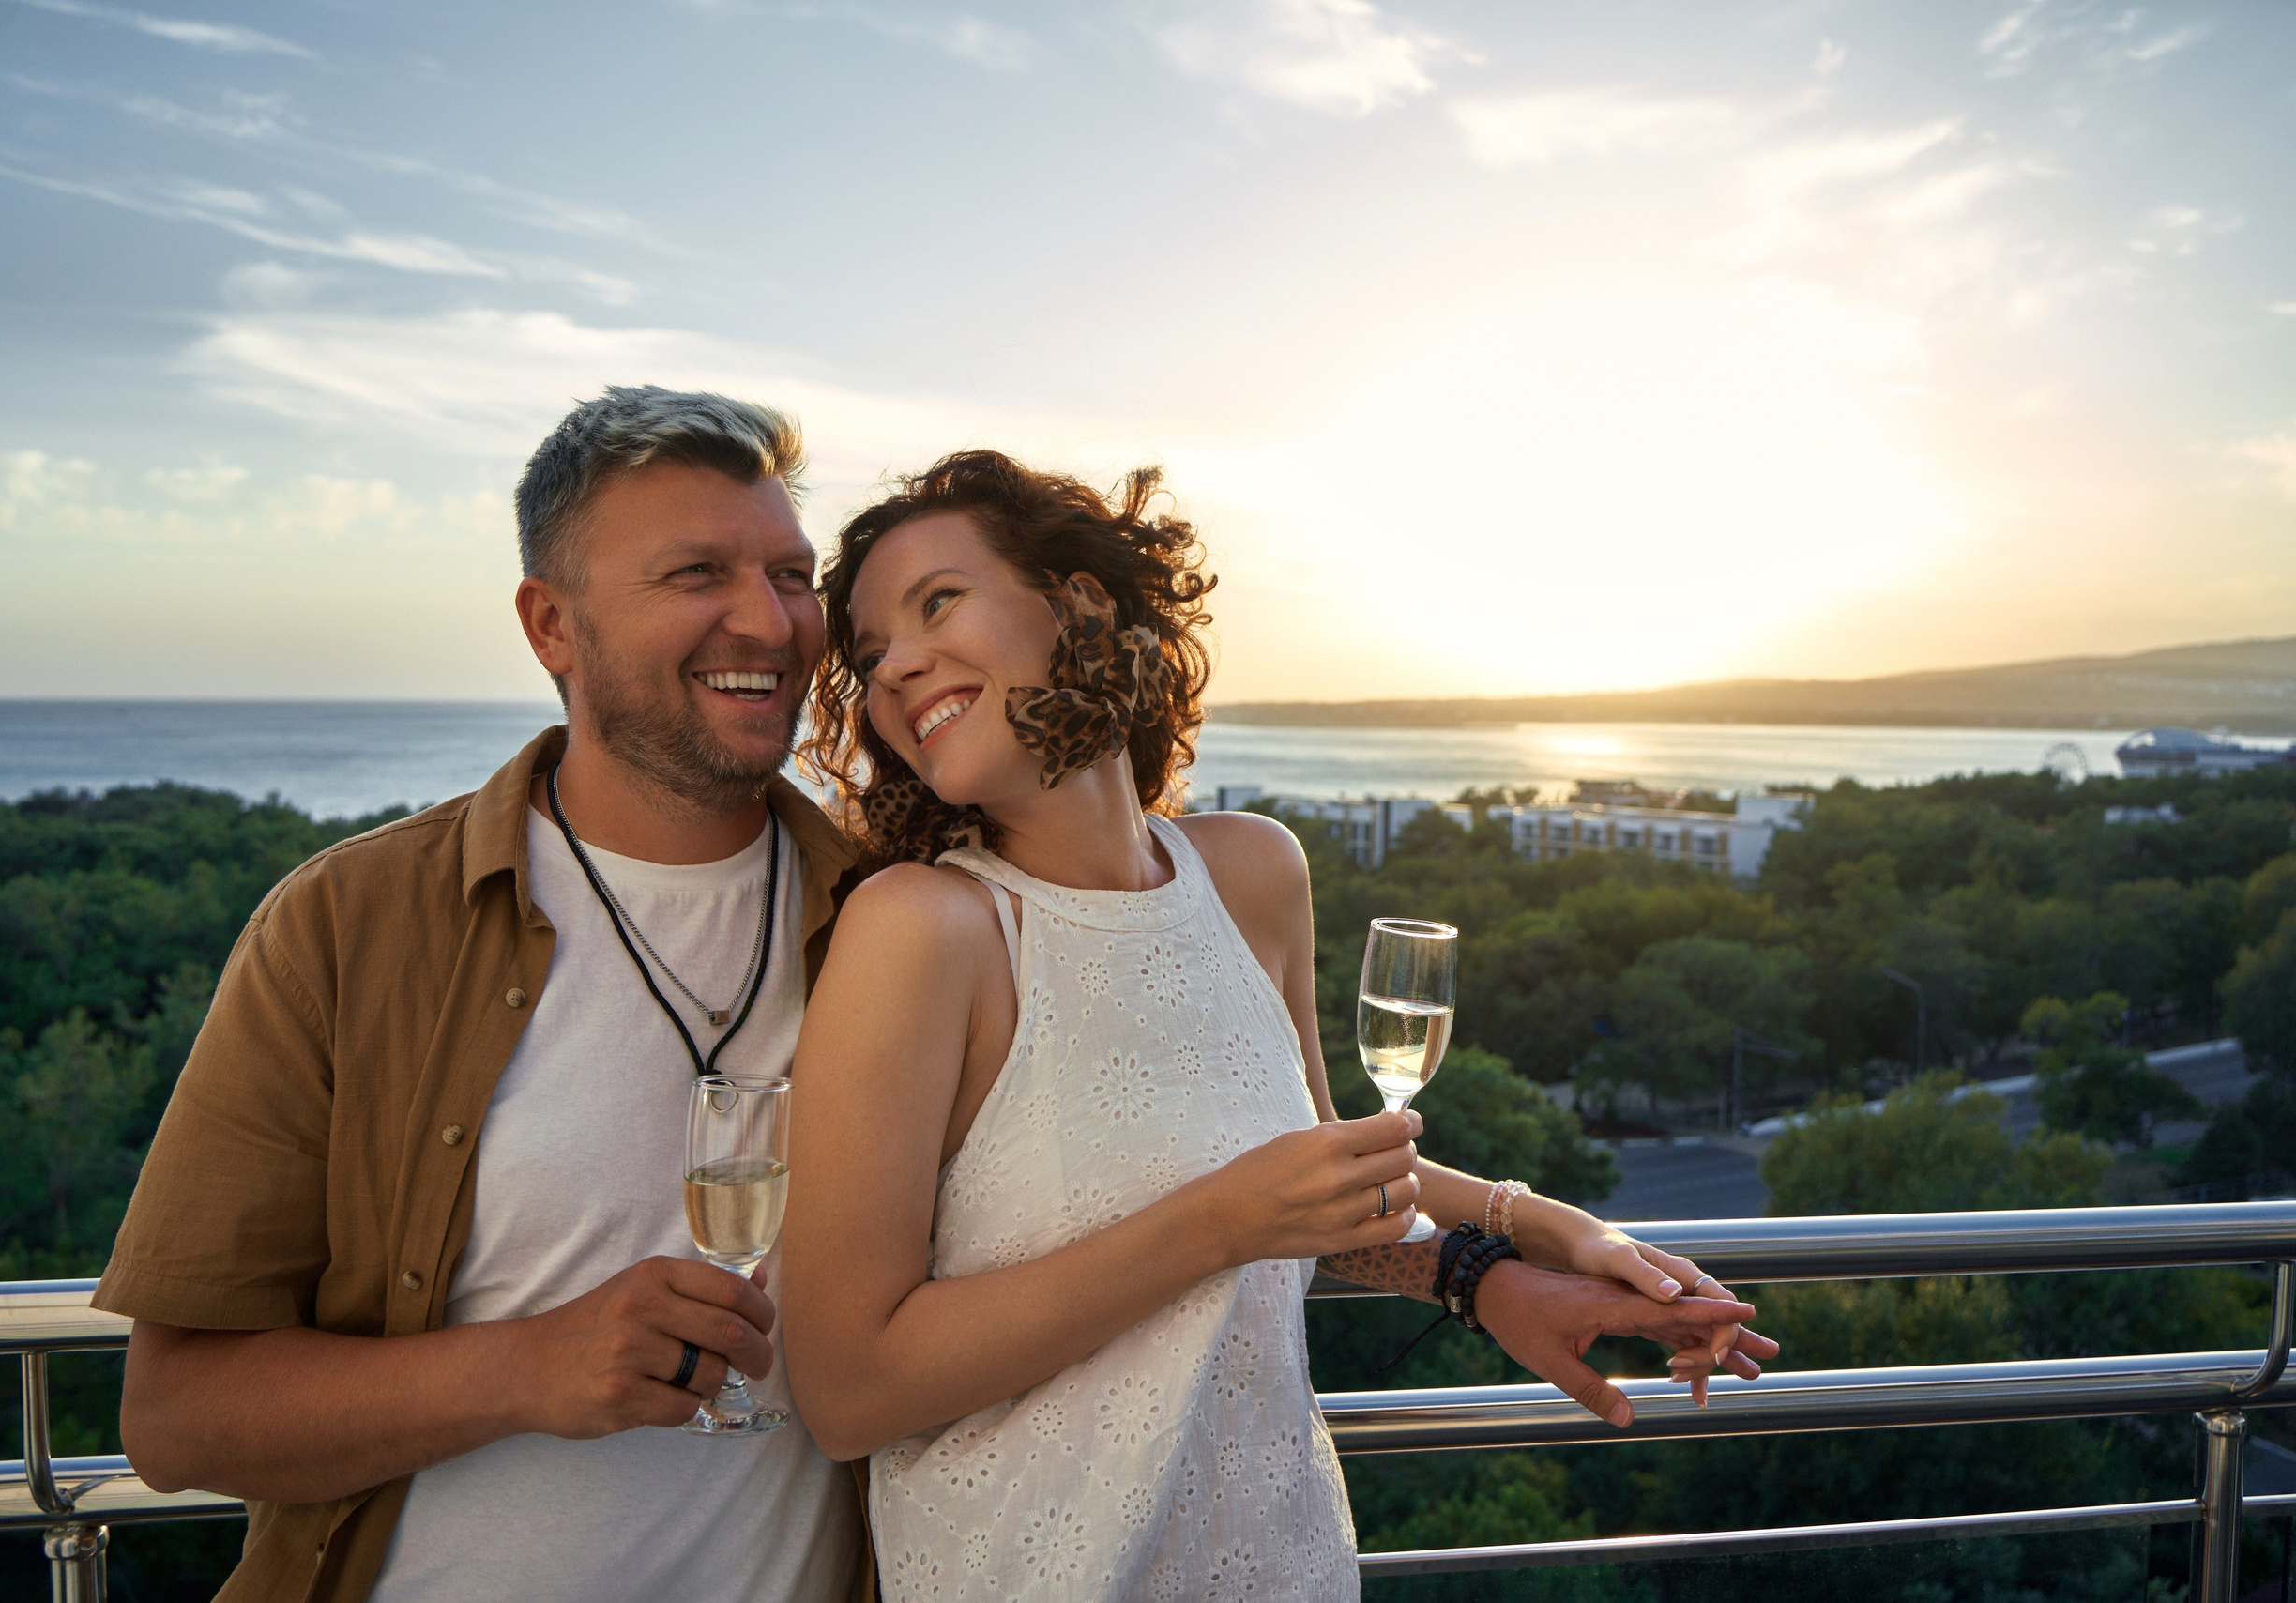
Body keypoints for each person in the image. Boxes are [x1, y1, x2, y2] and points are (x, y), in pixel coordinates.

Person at [778, 450, 1777, 1599]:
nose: (896, 664)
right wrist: (1215, 1226)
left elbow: (1311, 1183)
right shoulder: (923, 930)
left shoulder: (1252, 873)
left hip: (1281, 1562)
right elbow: (848, 1388)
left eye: (936, 602)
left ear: (1080, 601)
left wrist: (1528, 1247)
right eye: (867, 654)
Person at [98, 387, 867, 1602]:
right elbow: (177, 1417)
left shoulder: (895, 919)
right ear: (551, 626)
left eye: (791, 573)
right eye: (697, 574)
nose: (767, 622)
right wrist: (526, 1370)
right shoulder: (347, 926)